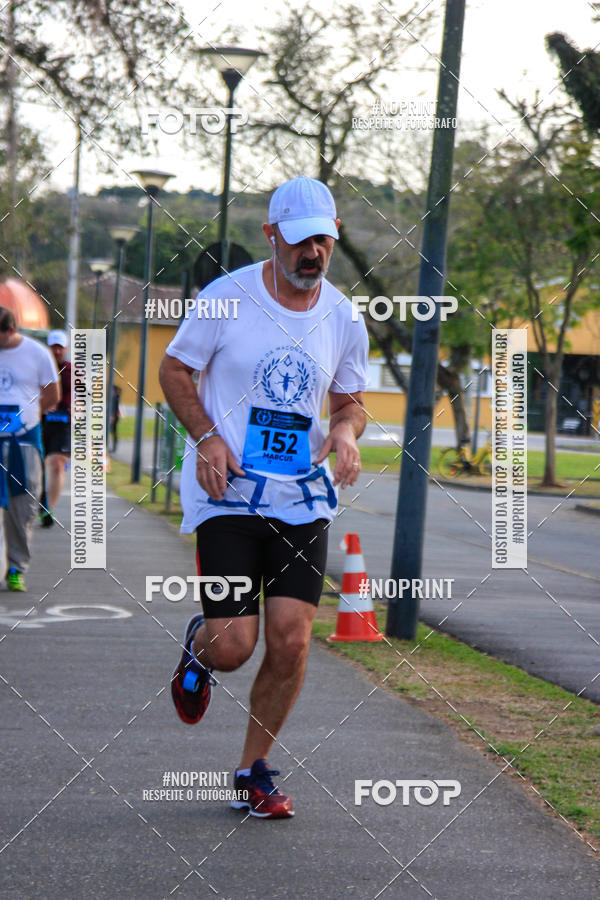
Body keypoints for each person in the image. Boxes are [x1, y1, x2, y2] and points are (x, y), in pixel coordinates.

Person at [159, 175, 369, 818]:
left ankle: (255, 770)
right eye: (302, 240)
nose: (314, 254)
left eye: (324, 242)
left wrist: (344, 431)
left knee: (292, 640)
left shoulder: (343, 314)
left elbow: (351, 399)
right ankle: (201, 644)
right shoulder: (227, 298)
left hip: (302, 499)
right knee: (234, 647)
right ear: (272, 235)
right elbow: (174, 368)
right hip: (229, 497)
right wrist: (207, 437)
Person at [0, 307, 60, 590]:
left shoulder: (37, 353)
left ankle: (16, 567)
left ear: (10, 330)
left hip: (23, 439)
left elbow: (51, 394)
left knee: (22, 505)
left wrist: (29, 417)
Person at [41, 329, 71, 527]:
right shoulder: (39, 368)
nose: (57, 351)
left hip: (63, 423)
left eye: (60, 347)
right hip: (40, 421)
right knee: (36, 465)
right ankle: (38, 497)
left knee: (57, 463)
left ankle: (47, 509)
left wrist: (66, 406)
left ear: (65, 348)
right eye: (54, 347)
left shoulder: (72, 371)